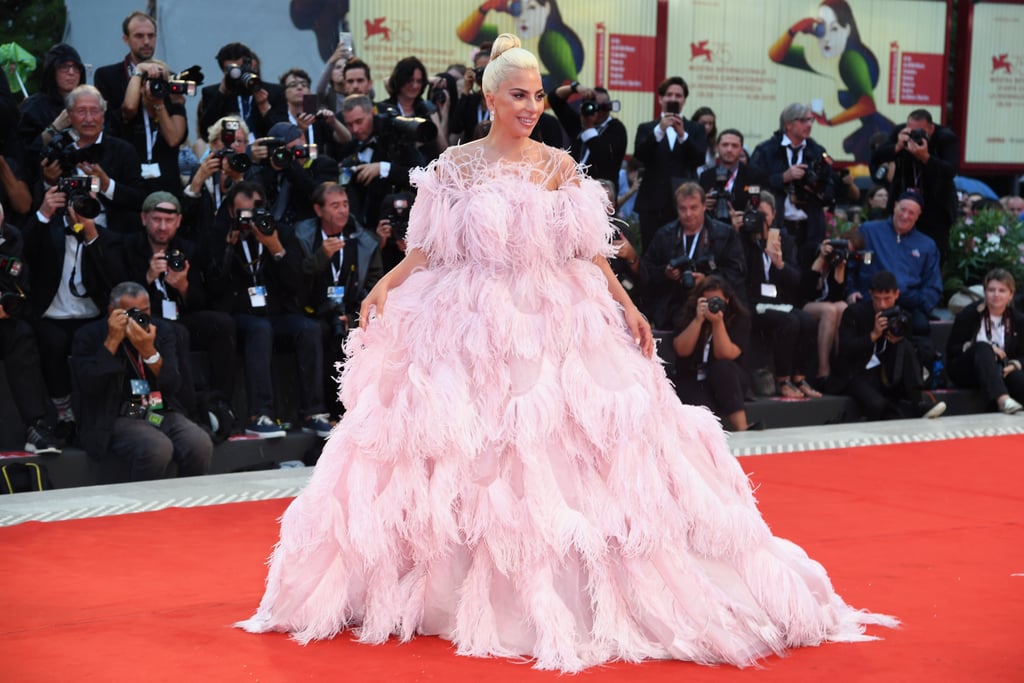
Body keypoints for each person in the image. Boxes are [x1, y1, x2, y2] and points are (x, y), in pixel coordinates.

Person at [238, 33, 895, 672]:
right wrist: (384, 282)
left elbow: (586, 250)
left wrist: (630, 305)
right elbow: (427, 249)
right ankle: (444, 585)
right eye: (519, 94)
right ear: (490, 98)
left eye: (539, 97)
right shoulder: (452, 166)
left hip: (556, 317)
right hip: (467, 320)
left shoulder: (557, 164)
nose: (531, 106)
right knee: (462, 453)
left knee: (569, 445)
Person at [71, 281, 213, 482]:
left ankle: (189, 502)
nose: (139, 318)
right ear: (113, 311)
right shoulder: (90, 335)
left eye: (145, 311)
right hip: (117, 413)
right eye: (131, 312)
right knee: (157, 447)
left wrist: (148, 351)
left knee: (199, 443)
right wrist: (112, 341)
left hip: (156, 410)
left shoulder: (162, 330)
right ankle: (145, 508)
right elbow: (90, 386)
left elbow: (173, 384)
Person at [294, 182, 383, 417]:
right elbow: (296, 279)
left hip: (352, 310)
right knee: (314, 332)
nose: (343, 211)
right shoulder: (302, 236)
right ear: (318, 210)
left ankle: (359, 412)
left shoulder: (363, 239)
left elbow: (374, 284)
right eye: (335, 206)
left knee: (359, 333)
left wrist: (354, 314)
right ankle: (316, 412)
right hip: (311, 312)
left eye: (345, 204)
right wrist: (321, 256)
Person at [768, 0, 894, 162]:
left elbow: (868, 105)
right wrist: (794, 30)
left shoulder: (851, 59)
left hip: (876, 130)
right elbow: (776, 55)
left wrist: (830, 122)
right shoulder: (822, 57)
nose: (826, 38)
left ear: (847, 30)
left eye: (834, 29)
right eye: (822, 29)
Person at [740, 192, 821, 398]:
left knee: (808, 321)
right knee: (790, 322)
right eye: (755, 214)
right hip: (753, 303)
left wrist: (780, 264)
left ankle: (799, 378)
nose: (760, 219)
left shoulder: (784, 240)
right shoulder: (743, 239)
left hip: (777, 302)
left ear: (774, 214)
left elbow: (796, 280)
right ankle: (783, 380)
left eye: (764, 214)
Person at [835, 270, 946, 421]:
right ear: (870, 295)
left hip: (885, 374)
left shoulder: (901, 316)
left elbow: (903, 355)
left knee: (905, 345)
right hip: (856, 374)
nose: (882, 304)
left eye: (887, 299)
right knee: (878, 405)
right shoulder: (855, 312)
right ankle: (897, 415)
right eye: (877, 299)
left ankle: (918, 401)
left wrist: (897, 339)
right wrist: (873, 336)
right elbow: (846, 349)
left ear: (896, 295)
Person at [636, 182, 745, 330]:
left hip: (712, 303)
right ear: (677, 209)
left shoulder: (725, 234)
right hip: (672, 305)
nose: (688, 214)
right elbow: (646, 271)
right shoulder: (664, 235)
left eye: (694, 208)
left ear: (704, 206)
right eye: (683, 209)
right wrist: (665, 273)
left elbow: (737, 273)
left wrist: (708, 280)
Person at [0, 203, 61, 454]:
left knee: (22, 333)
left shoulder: (12, 237)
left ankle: (36, 426)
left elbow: (19, 286)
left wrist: (8, 305)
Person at [847, 191, 942, 338]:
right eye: (903, 210)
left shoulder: (927, 245)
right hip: (871, 299)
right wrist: (851, 290)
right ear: (895, 206)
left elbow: (933, 285)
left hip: (908, 304)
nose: (905, 216)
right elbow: (851, 265)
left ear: (918, 216)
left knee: (921, 327)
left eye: (911, 213)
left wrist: (922, 304)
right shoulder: (869, 231)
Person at [870, 109, 958, 265]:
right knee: (898, 253)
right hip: (904, 203)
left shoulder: (945, 138)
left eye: (920, 131)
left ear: (931, 129)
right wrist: (897, 146)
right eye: (911, 130)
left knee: (933, 256)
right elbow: (877, 156)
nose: (915, 134)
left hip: (935, 209)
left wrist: (926, 157)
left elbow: (950, 171)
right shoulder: (901, 132)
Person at [673, 275, 756, 431]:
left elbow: (726, 354)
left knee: (722, 368)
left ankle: (742, 426)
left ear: (727, 300)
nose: (713, 305)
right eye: (708, 301)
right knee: (701, 412)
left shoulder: (739, 317)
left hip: (729, 378)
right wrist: (698, 320)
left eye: (717, 300)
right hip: (694, 377)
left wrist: (717, 323)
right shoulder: (690, 314)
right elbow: (682, 350)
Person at [633, 76, 708, 248]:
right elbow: (640, 155)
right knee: (651, 250)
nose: (673, 99)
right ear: (660, 98)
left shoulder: (695, 129)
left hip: (684, 204)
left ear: (684, 100)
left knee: (682, 249)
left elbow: (699, 159)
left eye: (678, 95)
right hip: (652, 203)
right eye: (669, 95)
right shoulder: (647, 128)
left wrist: (682, 135)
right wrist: (660, 130)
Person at [750, 102, 836, 248]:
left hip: (810, 228)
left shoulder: (817, 151)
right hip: (777, 225)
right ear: (788, 125)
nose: (809, 125)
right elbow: (752, 185)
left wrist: (816, 188)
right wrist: (782, 178)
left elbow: (832, 187)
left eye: (811, 120)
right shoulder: (766, 150)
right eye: (803, 120)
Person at [945, 268, 1024, 415]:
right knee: (982, 347)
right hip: (968, 370)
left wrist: (1014, 365)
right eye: (991, 290)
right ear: (985, 292)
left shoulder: (1018, 320)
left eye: (1002, 291)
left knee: (1018, 378)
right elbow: (952, 350)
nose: (996, 295)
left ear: (1011, 295)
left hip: (1001, 370)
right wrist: (984, 348)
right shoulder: (970, 314)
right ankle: (1003, 400)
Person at [546, 81, 627, 192]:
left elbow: (605, 158)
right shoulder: (578, 123)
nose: (596, 112)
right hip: (574, 191)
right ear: (582, 106)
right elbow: (553, 99)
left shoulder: (617, 128)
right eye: (592, 106)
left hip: (602, 195)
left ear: (608, 107)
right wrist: (574, 88)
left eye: (601, 107)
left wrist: (588, 128)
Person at [93, 11, 158, 123]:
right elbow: (110, 122)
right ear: (126, 39)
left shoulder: (167, 75)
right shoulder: (107, 76)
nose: (147, 42)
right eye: (139, 36)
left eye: (151, 35)